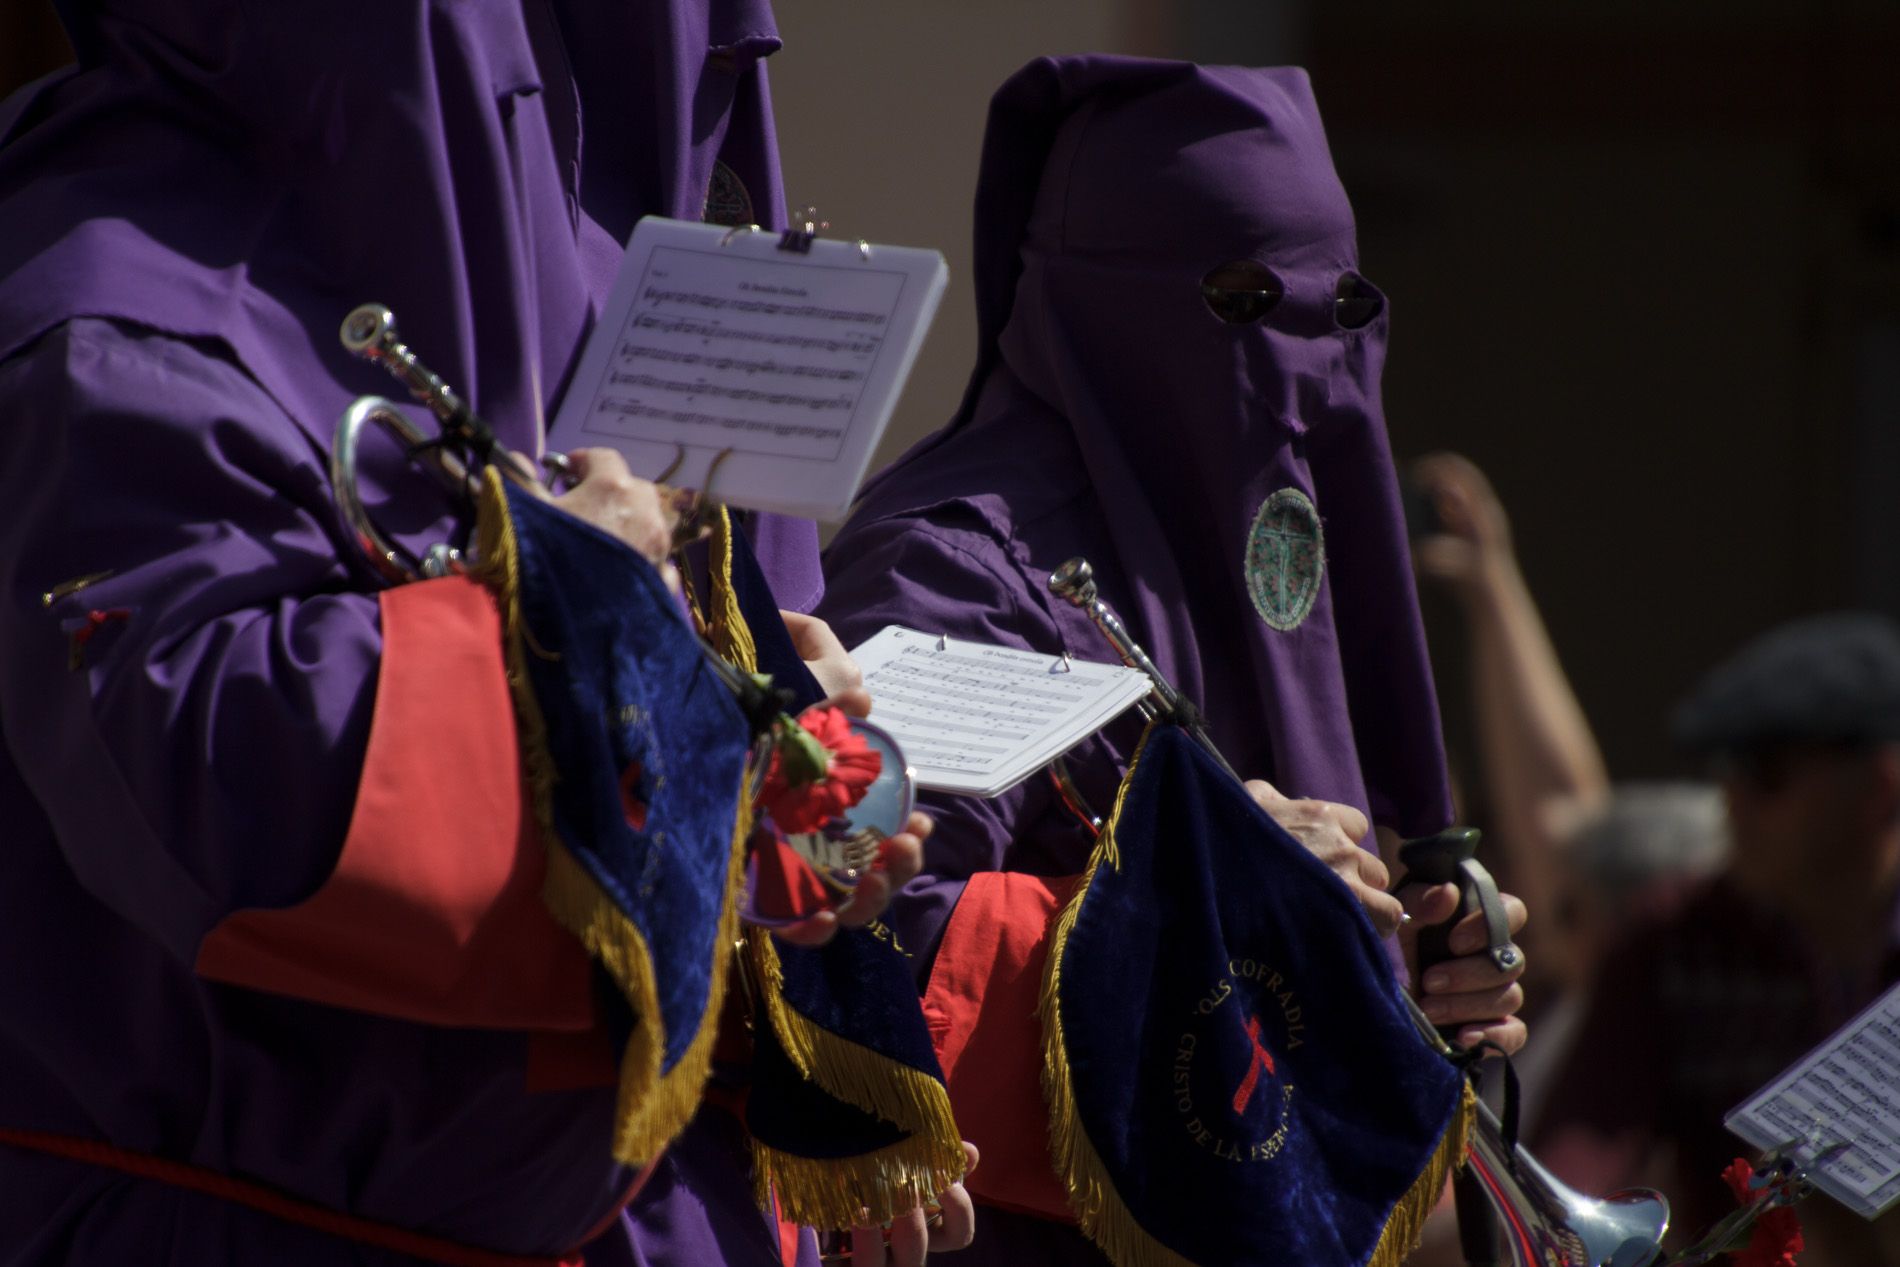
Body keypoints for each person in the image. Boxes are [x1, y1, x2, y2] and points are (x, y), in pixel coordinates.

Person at [0, 3, 963, 1265]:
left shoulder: (562, 282)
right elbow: (224, 792)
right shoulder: (107, 298)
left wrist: (760, 730)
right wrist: (596, 618)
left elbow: (704, 809)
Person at [817, 55, 1528, 1262]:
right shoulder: (950, 564)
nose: (1295, 355)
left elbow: (1291, 971)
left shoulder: (1263, 538)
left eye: (1340, 310)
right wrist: (1216, 892)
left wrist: (1406, 972)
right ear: (1097, 295)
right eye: (1239, 300)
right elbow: (850, 933)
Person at [1534, 613, 1900, 1265]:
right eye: (1725, 771)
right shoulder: (1672, 941)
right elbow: (1579, 1157)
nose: (1729, 800)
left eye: (1765, 773)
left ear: (1881, 785)